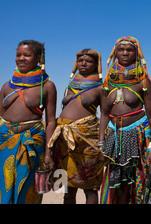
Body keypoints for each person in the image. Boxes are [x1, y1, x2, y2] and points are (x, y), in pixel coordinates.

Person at [99, 36, 151, 204]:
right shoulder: (107, 83)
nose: (125, 52)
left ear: (136, 54)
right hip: (114, 138)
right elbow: (104, 115)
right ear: (115, 53)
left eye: (129, 50)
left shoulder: (143, 82)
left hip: (138, 136)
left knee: (137, 180)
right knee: (117, 185)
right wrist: (101, 143)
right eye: (121, 49)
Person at [0, 40, 57, 204]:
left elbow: (51, 121)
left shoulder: (47, 87)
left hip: (32, 141)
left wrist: (48, 153)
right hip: (5, 142)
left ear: (38, 58)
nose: (21, 58)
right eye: (18, 55)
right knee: (4, 187)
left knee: (28, 187)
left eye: (27, 55)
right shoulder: (6, 87)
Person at [48, 49, 105, 204]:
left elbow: (106, 116)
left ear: (96, 64)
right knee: (66, 188)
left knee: (90, 188)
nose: (84, 63)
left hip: (87, 141)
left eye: (88, 61)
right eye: (80, 60)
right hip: (64, 141)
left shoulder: (101, 88)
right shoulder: (69, 86)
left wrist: (102, 143)